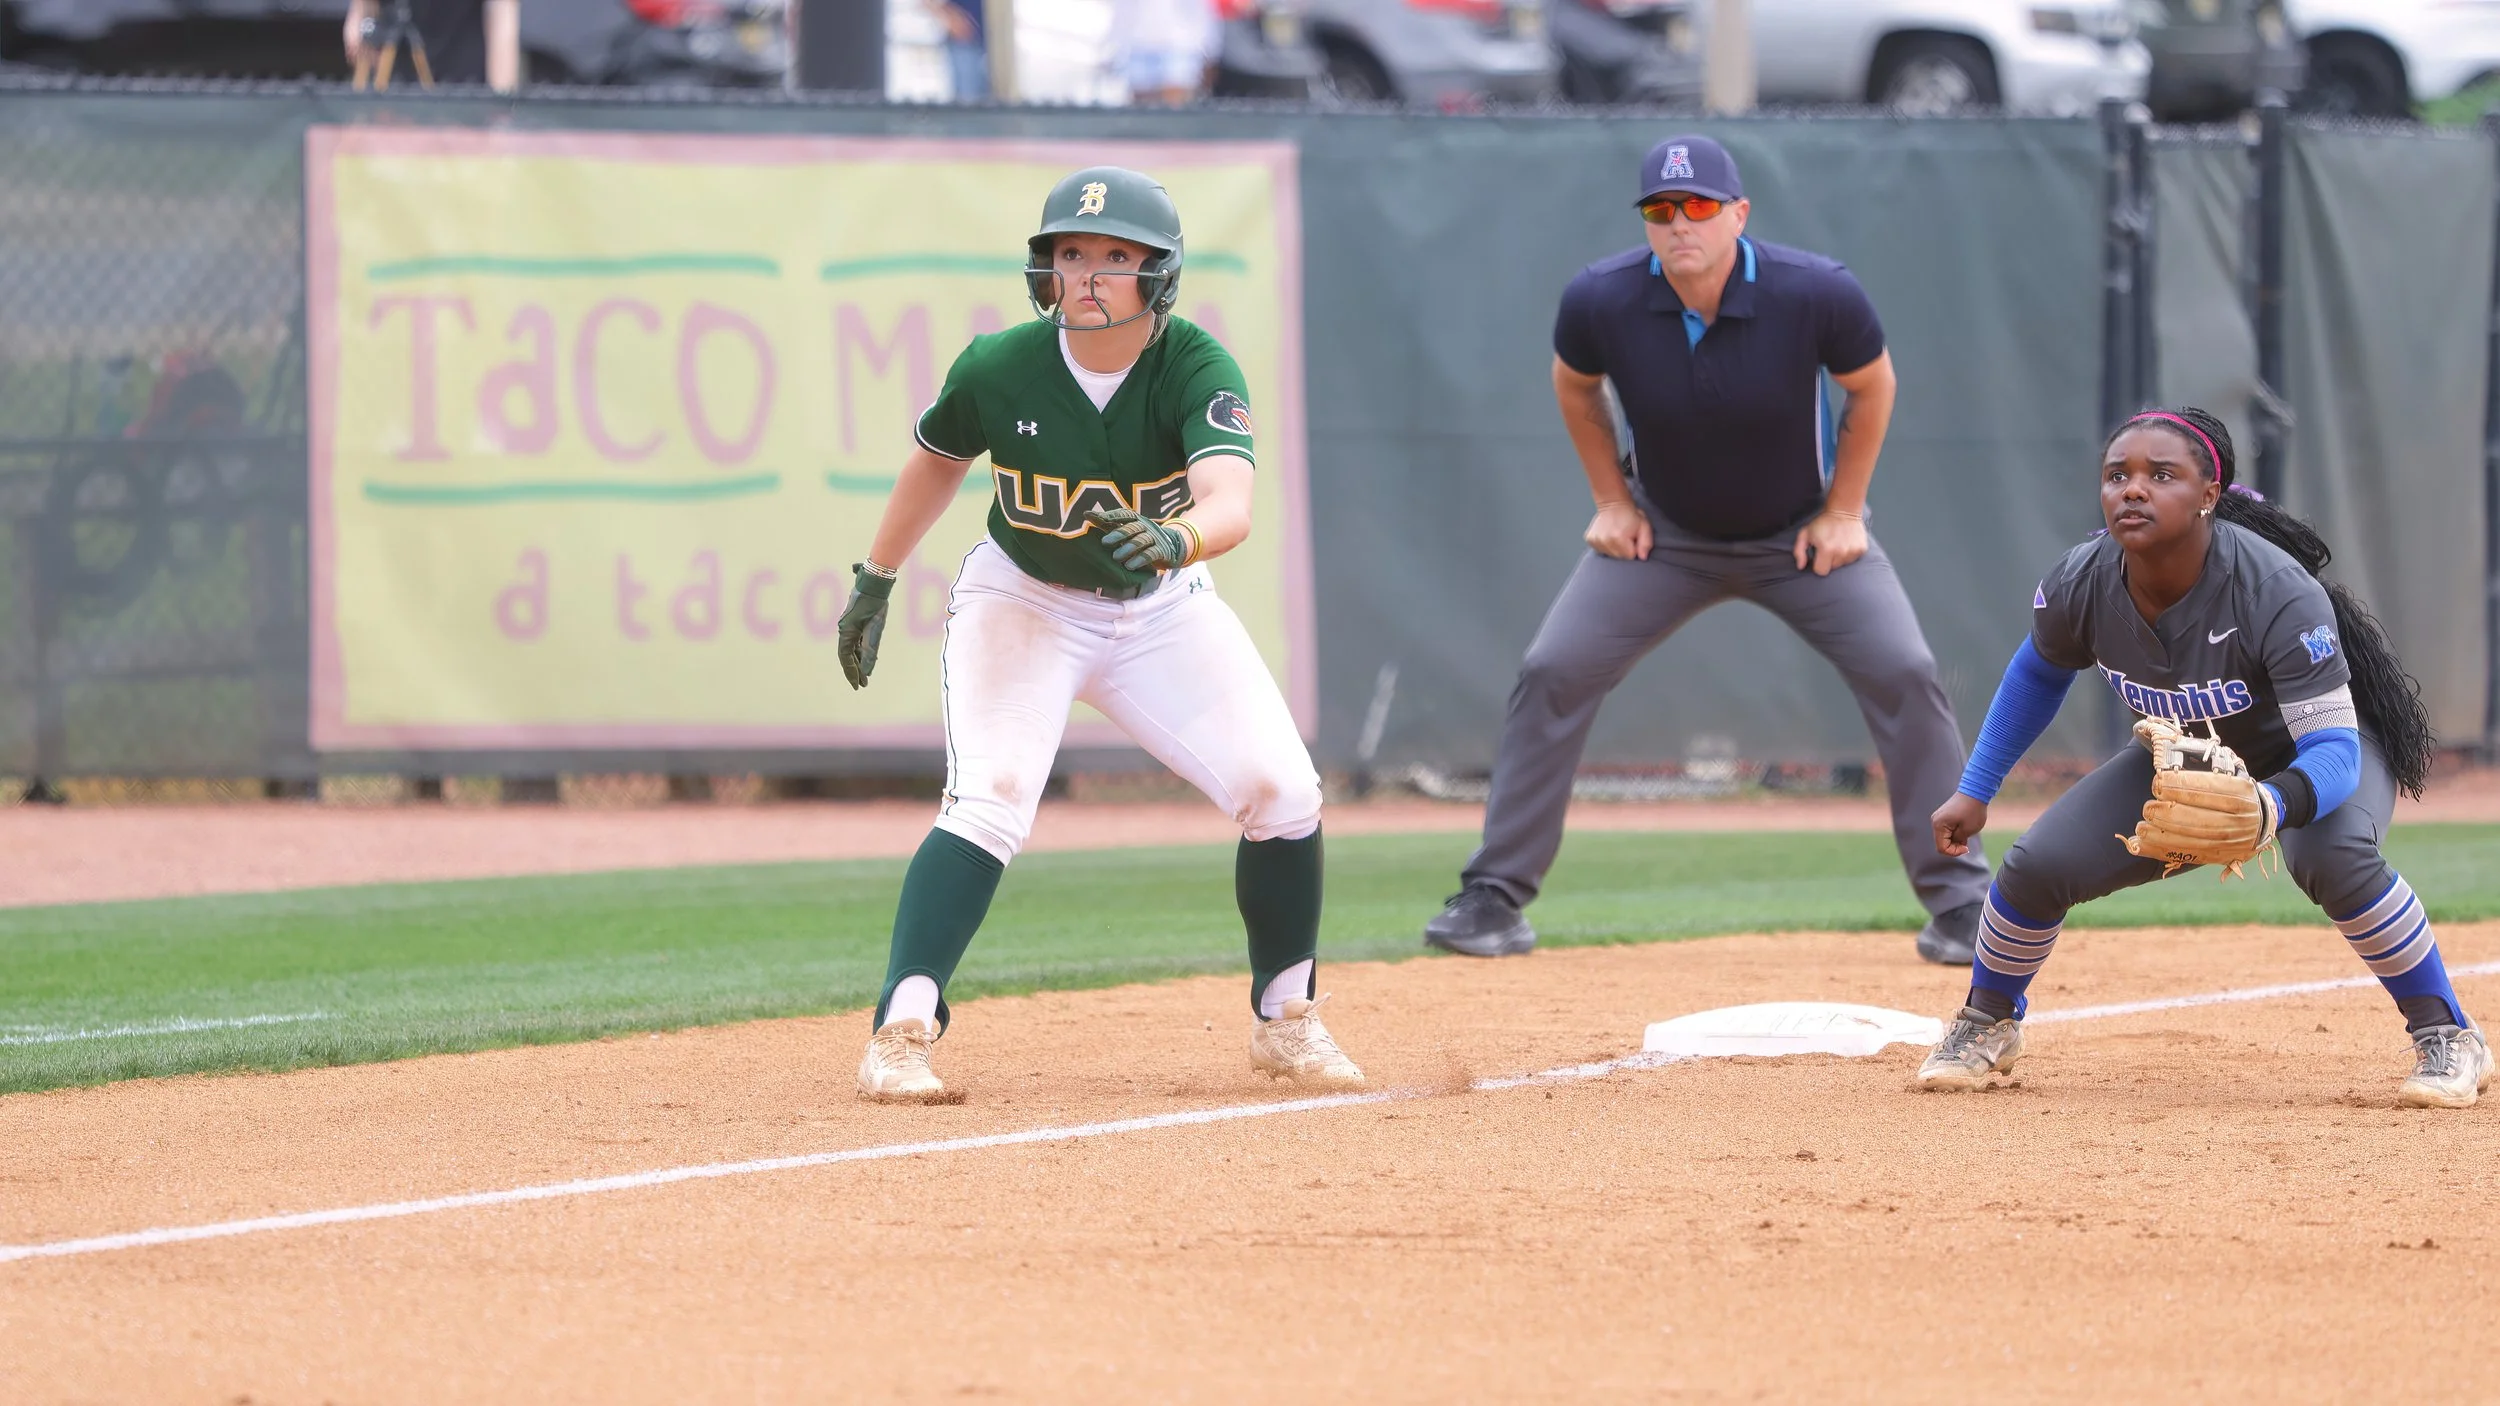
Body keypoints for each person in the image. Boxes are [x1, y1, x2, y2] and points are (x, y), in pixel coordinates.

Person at [837, 166, 1362, 1102]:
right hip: (1025, 600)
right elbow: (934, 463)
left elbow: (1229, 504)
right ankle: (901, 1031)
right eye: (1069, 254)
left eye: (1115, 257)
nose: (1086, 275)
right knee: (990, 799)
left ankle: (1286, 1022)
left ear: (1158, 275)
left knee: (1283, 792)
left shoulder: (1196, 365)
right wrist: (875, 579)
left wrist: (1174, 539)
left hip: (1162, 607)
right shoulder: (1000, 365)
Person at [1421, 134, 1991, 966]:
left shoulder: (1815, 292)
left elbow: (1872, 387)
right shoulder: (1602, 299)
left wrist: (1845, 511)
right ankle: (1494, 899)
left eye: (1698, 207)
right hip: (1669, 537)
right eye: (1661, 209)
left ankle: (1963, 903)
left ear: (1739, 214)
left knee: (1905, 673)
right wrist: (1611, 500)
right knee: (1553, 670)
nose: (1680, 222)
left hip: (1800, 536)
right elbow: (1573, 385)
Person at [1917, 406, 2488, 1108]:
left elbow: (2336, 752)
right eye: (2117, 475)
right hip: (2192, 758)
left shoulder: (2274, 591)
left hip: (2315, 758)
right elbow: (2039, 672)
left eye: (2162, 475)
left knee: (2332, 858)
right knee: (2035, 866)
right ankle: (1987, 1021)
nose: (2133, 489)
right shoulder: (2083, 579)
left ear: (2208, 496)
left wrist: (2269, 806)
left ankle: (2449, 1035)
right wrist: (1976, 788)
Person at [343, 0, 521, 91]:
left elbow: (502, 13)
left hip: (463, 83)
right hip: (393, 70)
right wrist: (359, 12)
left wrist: (502, 107)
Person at [1112, 0, 1217, 105]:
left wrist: (1209, 47)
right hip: (1139, 44)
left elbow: (1202, 10)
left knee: (1177, 106)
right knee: (1142, 109)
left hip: (1180, 45)